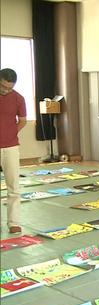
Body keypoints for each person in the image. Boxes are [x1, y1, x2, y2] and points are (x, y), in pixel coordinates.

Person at [0, 68, 27, 234]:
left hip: (10, 147)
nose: (6, 90)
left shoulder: (18, 98)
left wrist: (11, 132)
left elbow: (22, 121)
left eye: (9, 88)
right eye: (3, 86)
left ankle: (14, 222)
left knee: (13, 186)